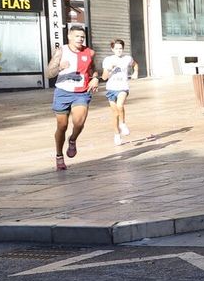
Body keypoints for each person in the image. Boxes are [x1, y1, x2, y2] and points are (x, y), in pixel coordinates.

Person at [47, 25, 97, 171]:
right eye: (77, 36)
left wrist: (95, 78)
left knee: (79, 123)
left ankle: (73, 139)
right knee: (62, 126)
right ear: (69, 36)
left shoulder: (90, 52)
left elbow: (94, 69)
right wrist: (59, 68)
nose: (80, 39)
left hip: (81, 92)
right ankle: (59, 155)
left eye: (82, 37)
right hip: (63, 92)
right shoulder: (61, 51)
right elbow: (49, 73)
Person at [100, 38, 138, 145]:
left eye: (121, 48)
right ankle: (117, 135)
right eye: (116, 48)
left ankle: (123, 124)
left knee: (120, 105)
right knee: (115, 113)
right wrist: (109, 69)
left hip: (123, 87)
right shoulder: (108, 60)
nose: (119, 50)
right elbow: (104, 77)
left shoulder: (127, 58)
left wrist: (135, 72)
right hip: (111, 88)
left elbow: (135, 64)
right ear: (112, 49)